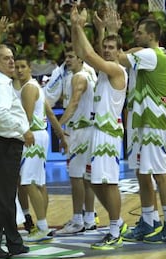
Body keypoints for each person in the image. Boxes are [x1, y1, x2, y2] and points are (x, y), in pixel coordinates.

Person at [117, 18, 166, 243]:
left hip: (153, 123)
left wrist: (111, 31)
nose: (136, 34)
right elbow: (127, 54)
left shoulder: (151, 55)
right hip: (142, 123)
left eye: (140, 32)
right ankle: (148, 221)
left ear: (151, 36)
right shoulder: (150, 54)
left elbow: (118, 56)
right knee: (142, 173)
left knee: (160, 174)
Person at [71, 6, 128, 250]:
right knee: (93, 181)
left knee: (109, 182)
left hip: (108, 134)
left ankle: (115, 230)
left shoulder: (117, 70)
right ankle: (118, 221)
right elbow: (81, 52)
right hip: (97, 132)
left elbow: (88, 54)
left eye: (111, 48)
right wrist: (76, 27)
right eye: (105, 46)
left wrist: (80, 26)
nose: (106, 50)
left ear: (119, 52)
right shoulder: (105, 69)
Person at [0, 44, 34, 259]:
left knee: (7, 194)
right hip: (5, 143)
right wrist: (24, 129)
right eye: (6, 58)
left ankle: (14, 241)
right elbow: (0, 114)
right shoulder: (0, 84)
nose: (11, 61)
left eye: (12, 57)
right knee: (2, 197)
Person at [14, 54, 67, 242]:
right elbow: (50, 113)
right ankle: (43, 225)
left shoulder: (28, 88)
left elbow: (26, 119)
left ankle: (42, 226)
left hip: (33, 136)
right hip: (41, 135)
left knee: (28, 182)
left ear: (30, 68)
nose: (19, 70)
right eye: (16, 67)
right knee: (39, 182)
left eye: (22, 66)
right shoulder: (36, 86)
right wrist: (61, 135)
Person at [55, 44, 98, 235]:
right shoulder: (89, 75)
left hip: (79, 132)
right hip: (89, 129)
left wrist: (58, 126)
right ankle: (89, 218)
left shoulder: (78, 77)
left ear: (81, 59)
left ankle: (77, 219)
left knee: (76, 178)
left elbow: (73, 104)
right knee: (87, 178)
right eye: (66, 56)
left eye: (72, 56)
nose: (68, 59)